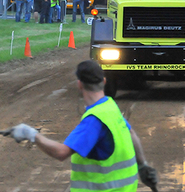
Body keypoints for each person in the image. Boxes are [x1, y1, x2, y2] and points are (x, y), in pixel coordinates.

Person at [9, 60, 158, 191]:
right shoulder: (110, 107)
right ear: (104, 82)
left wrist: (31, 134)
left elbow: (61, 152)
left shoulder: (94, 120)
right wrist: (143, 165)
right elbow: (132, 134)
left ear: (79, 84)